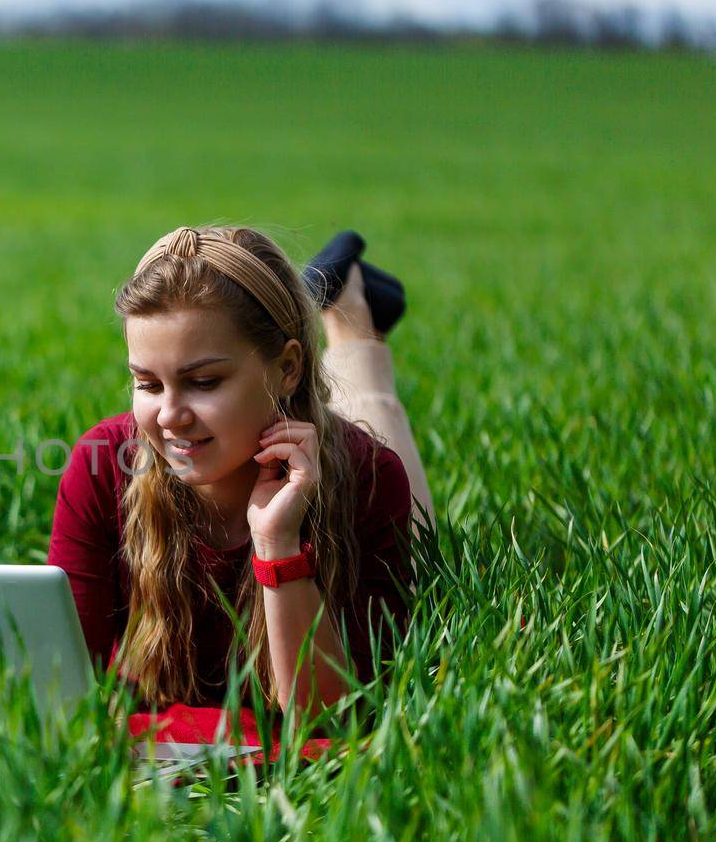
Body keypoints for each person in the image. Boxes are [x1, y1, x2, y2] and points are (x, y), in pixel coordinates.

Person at [47, 225, 434, 719]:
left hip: (348, 462)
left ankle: (351, 315)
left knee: (376, 433)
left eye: (204, 382)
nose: (169, 417)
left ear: (288, 367)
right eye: (147, 384)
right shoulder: (103, 461)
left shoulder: (372, 476)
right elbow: (61, 686)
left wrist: (279, 548)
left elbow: (335, 723)